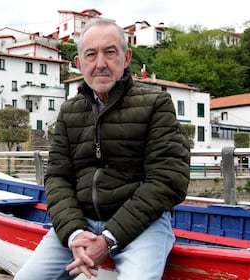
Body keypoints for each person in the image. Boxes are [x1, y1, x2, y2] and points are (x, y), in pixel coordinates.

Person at [14, 18, 190, 280]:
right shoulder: (69, 111)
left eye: (110, 52)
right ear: (79, 63)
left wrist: (108, 238)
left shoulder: (156, 103)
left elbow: (168, 180)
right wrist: (74, 231)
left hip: (143, 226)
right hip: (80, 223)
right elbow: (57, 177)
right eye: (91, 54)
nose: (100, 64)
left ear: (126, 57)